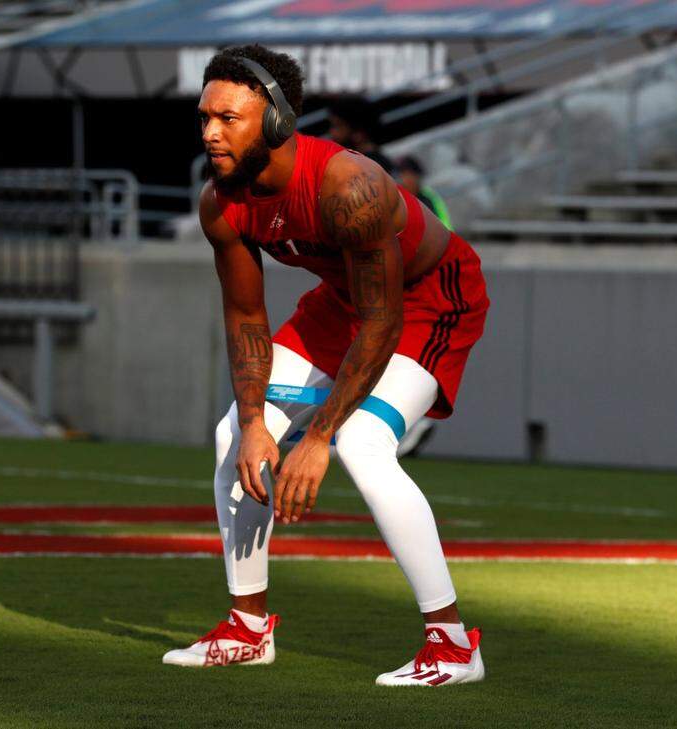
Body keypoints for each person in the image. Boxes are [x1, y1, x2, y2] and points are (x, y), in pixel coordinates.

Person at [161, 44, 489, 688]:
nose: (209, 132)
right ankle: (248, 629)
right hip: (343, 304)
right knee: (235, 435)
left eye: (228, 118)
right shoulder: (221, 202)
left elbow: (385, 320)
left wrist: (316, 437)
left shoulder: (350, 184)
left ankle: (452, 644)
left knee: (362, 444)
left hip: (429, 299)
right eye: (204, 117)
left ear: (279, 120)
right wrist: (259, 421)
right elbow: (246, 320)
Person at [326, 97, 395, 174]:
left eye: (337, 126)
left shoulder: (362, 171)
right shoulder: (378, 164)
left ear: (358, 134)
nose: (332, 133)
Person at [395, 155, 452, 231]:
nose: (408, 180)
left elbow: (443, 220)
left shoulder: (429, 196)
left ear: (418, 177)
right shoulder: (398, 200)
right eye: (404, 175)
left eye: (411, 175)